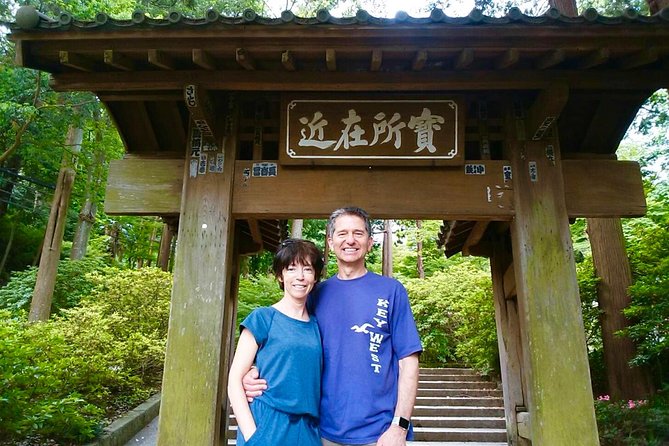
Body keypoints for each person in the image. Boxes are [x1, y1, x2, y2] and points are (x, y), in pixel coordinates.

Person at [244, 207, 423, 446]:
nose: (350, 240)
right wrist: (254, 372)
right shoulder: (314, 293)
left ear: (370, 242)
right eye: (342, 233)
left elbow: (408, 361)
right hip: (320, 431)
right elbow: (287, 340)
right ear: (330, 241)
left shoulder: (391, 291)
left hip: (380, 433)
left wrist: (400, 425)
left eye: (358, 233)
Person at [228, 239, 325, 446]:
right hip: (267, 425)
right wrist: (253, 436)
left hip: (308, 429)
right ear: (280, 276)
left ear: (315, 276)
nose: (300, 277)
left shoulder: (318, 325)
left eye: (307, 269)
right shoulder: (262, 318)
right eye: (291, 269)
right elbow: (235, 379)